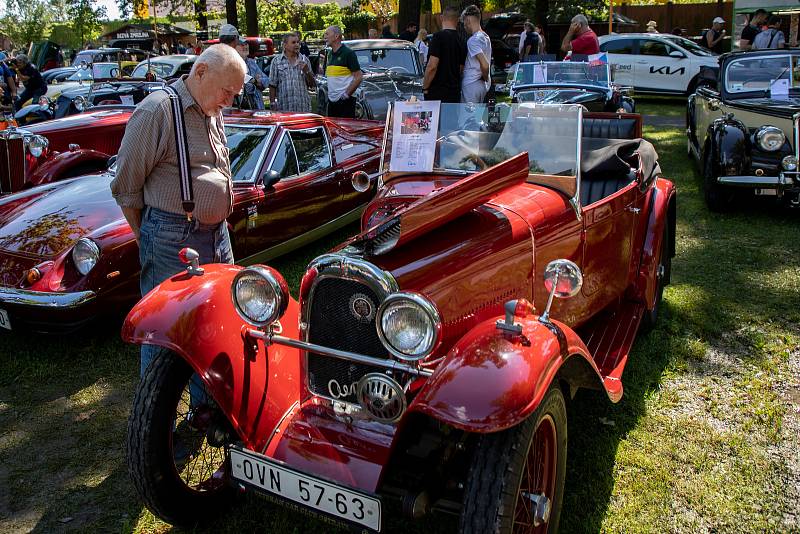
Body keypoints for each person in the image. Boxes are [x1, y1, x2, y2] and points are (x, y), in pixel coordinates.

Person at [110, 44, 246, 378]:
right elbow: (126, 187)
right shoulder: (157, 110)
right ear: (201, 72)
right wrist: (149, 238)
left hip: (216, 235)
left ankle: (205, 411)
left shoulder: (212, 110)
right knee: (164, 332)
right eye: (227, 91)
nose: (230, 101)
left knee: (217, 321)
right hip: (173, 237)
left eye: (235, 94)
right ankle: (155, 424)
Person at [423, 6, 466, 103]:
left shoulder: (438, 37)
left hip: (436, 93)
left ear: (442, 17)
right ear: (458, 20)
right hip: (454, 92)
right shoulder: (462, 41)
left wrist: (425, 87)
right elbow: (461, 68)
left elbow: (432, 66)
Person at [269, 32, 315, 112]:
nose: (297, 45)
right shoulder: (276, 61)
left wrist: (307, 71)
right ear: (285, 45)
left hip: (303, 108)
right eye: (293, 42)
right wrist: (272, 103)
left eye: (298, 42)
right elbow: (272, 85)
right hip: (284, 108)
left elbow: (312, 85)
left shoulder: (305, 60)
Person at [323, 25, 362, 118]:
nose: (324, 36)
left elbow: (358, 77)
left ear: (336, 36)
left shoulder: (348, 53)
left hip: (345, 102)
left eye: (327, 34)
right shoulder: (329, 54)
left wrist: (345, 95)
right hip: (332, 102)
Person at [461, 5, 491, 104]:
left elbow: (485, 64)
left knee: (467, 118)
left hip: (471, 84)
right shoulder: (485, 37)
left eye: (464, 23)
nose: (464, 26)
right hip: (481, 85)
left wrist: (485, 77)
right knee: (477, 118)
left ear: (468, 20)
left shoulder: (473, 41)